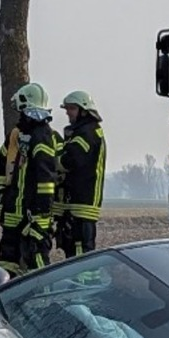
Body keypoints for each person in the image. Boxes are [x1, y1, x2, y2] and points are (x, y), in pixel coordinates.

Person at [0, 82, 61, 276]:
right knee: (7, 261)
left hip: (32, 214)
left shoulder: (42, 137)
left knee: (37, 257)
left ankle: (42, 295)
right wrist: (2, 197)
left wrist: (42, 211)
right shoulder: (17, 137)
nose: (19, 116)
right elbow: (3, 170)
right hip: (13, 212)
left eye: (21, 111)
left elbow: (46, 178)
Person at [54, 90, 108, 259]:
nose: (68, 113)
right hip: (76, 202)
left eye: (71, 109)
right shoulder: (83, 132)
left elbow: (70, 161)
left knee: (80, 252)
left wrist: (48, 161)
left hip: (82, 202)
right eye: (67, 109)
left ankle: (83, 283)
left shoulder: (87, 134)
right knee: (74, 249)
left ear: (84, 110)